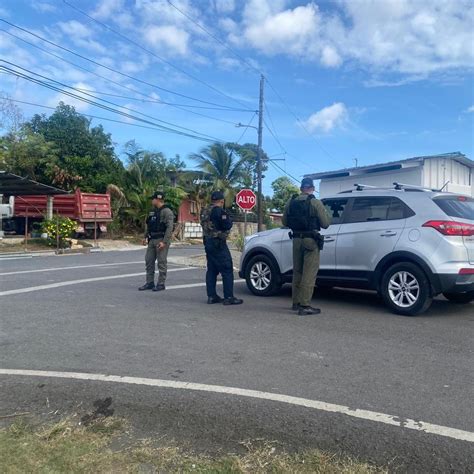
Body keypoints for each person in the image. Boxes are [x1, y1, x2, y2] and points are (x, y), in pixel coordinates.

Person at [282, 178, 331, 315]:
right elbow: (325, 223)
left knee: (297, 271)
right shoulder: (315, 202)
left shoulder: (290, 202)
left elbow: (285, 221)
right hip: (310, 240)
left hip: (296, 240)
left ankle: (296, 303)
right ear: (312, 188)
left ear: (301, 188)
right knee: (309, 273)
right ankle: (305, 305)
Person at [201, 191, 243, 306]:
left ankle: (211, 296)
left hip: (208, 242)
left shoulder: (204, 210)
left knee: (212, 269)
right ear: (222, 201)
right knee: (227, 269)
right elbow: (227, 225)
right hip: (218, 243)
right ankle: (228, 297)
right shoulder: (219, 211)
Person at [138, 191, 174, 292]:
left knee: (161, 262)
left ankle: (161, 283)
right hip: (152, 239)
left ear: (158, 199)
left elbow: (169, 228)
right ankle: (149, 282)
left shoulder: (167, 211)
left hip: (161, 239)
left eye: (153, 199)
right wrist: (145, 237)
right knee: (149, 260)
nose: (152, 200)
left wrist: (164, 242)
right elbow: (149, 225)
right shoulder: (152, 212)